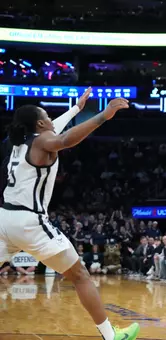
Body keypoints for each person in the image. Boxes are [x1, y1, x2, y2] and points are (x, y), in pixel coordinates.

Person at [0, 90, 140, 340]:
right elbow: (62, 139)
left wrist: (76, 109)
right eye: (47, 117)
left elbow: (55, 129)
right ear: (40, 123)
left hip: (3, 218)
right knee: (79, 276)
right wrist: (103, 116)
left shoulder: (17, 142)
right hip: (29, 221)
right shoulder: (42, 142)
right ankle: (111, 336)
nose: (52, 119)